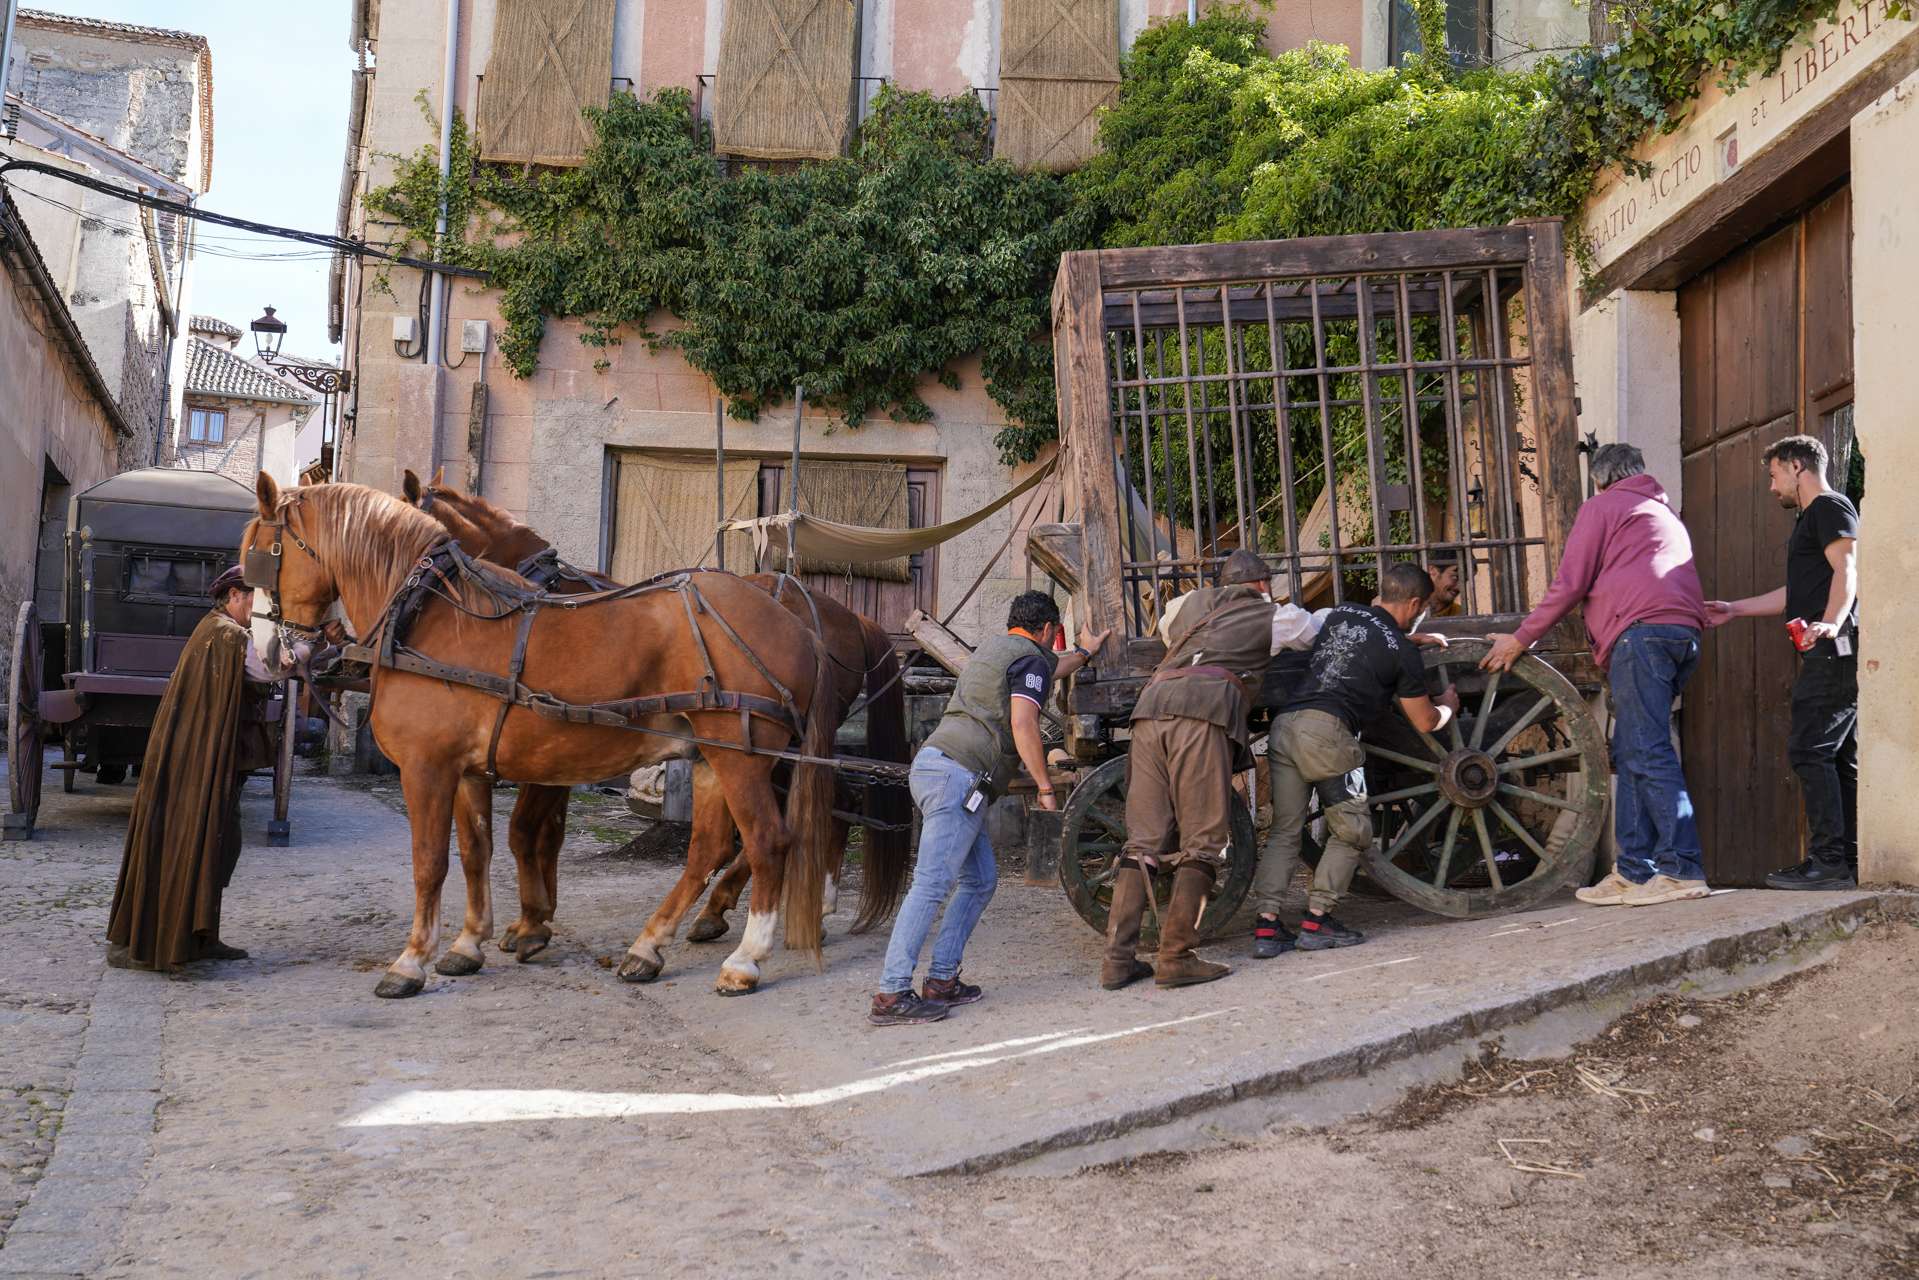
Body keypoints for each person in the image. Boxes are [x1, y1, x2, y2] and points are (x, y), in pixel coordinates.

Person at [1482, 444, 1711, 907]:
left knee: (1647, 751)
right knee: (1632, 752)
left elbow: (1570, 584)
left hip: (1640, 637)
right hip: (1678, 636)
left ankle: (1682, 868)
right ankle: (1632, 871)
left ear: (1600, 479)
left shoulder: (1604, 505)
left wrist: (1520, 638)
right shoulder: (1662, 513)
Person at [870, 591, 1109, 1025]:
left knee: (979, 879)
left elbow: (1057, 667)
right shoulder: (1031, 659)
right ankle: (891, 993)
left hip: (942, 770)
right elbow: (1023, 723)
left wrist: (1085, 653)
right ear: (1047, 630)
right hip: (957, 778)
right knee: (931, 885)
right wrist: (1045, 787)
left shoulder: (997, 650)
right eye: (1055, 636)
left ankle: (941, 980)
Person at [1102, 549, 1322, 990]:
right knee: (1203, 841)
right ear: (1264, 585)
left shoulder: (1186, 607)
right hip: (1201, 716)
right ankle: (1176, 957)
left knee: (1143, 841)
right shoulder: (1272, 614)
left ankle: (1117, 961)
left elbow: (1168, 630)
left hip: (1148, 714)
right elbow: (1313, 631)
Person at [1253, 563, 1459, 955]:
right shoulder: (1401, 652)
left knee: (1285, 829)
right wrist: (1446, 706)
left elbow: (1364, 639)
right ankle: (1317, 920)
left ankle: (1267, 927)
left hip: (1285, 727)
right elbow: (1424, 720)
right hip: (1330, 735)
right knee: (1353, 830)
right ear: (1415, 603)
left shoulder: (1342, 613)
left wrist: (1408, 641)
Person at [1706, 434, 1860, 891]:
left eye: (1774, 475)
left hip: (1833, 648)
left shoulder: (1830, 507)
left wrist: (1831, 623)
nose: (1772, 487)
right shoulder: (1815, 518)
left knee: (1809, 749)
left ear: (1796, 466)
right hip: (1830, 645)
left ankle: (1829, 862)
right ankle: (1846, 860)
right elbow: (1796, 594)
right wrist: (1735, 608)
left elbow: (1848, 569)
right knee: (1837, 757)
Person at [105, 564, 276, 971]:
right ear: (235, 595)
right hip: (197, 764)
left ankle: (202, 935)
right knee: (197, 841)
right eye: (255, 598)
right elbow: (267, 669)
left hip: (206, 759)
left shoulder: (217, 630)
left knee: (219, 843)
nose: (258, 608)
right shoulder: (225, 635)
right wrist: (309, 649)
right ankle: (170, 944)